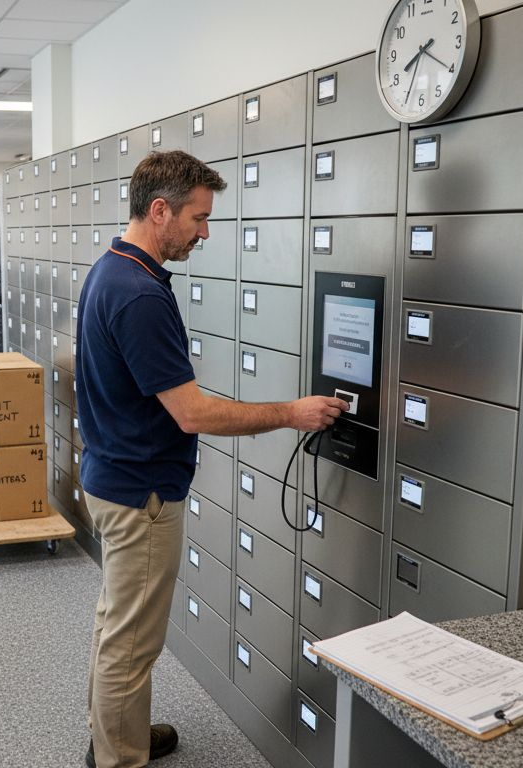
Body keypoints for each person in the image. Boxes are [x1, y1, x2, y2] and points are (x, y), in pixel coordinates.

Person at [75, 150, 348, 768]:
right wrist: (291, 413)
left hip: (113, 475)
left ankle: (117, 735)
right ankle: (120, 758)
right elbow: (193, 413)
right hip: (140, 492)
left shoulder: (111, 269)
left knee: (117, 626)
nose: (205, 231)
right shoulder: (138, 293)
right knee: (131, 642)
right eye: (199, 217)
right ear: (160, 209)